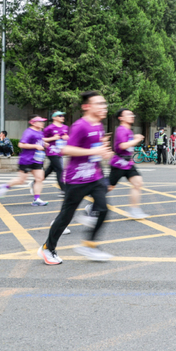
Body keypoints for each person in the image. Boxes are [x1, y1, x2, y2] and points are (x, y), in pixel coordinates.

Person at [38, 91, 114, 264]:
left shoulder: (99, 125)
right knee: (66, 216)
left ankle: (90, 245)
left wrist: (104, 151)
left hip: (94, 176)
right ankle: (47, 248)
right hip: (77, 178)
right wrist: (94, 151)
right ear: (86, 106)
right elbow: (66, 149)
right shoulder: (80, 125)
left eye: (104, 104)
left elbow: (96, 148)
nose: (103, 107)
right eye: (99, 104)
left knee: (103, 209)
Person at [108, 108, 148, 219]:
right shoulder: (121, 129)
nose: (132, 116)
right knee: (109, 187)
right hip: (119, 163)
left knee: (138, 183)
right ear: (121, 118)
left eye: (132, 114)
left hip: (128, 163)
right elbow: (122, 145)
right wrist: (136, 140)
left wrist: (134, 138)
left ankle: (134, 210)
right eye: (128, 114)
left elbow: (127, 143)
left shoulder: (129, 130)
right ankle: (93, 206)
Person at [0, 115, 48, 205]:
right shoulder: (28, 132)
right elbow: (21, 144)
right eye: (40, 121)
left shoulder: (40, 132)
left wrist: (44, 143)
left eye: (42, 121)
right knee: (21, 180)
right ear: (33, 123)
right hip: (26, 160)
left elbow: (39, 141)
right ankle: (4, 186)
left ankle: (36, 200)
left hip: (37, 159)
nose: (42, 123)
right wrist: (35, 146)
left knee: (40, 178)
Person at [43, 111, 69, 196]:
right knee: (59, 169)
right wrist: (53, 138)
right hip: (51, 151)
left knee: (50, 169)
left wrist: (67, 138)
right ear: (54, 117)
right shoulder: (49, 128)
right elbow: (42, 139)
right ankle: (63, 190)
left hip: (60, 151)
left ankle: (36, 181)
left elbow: (68, 138)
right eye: (60, 115)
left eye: (63, 115)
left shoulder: (65, 127)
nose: (62, 117)